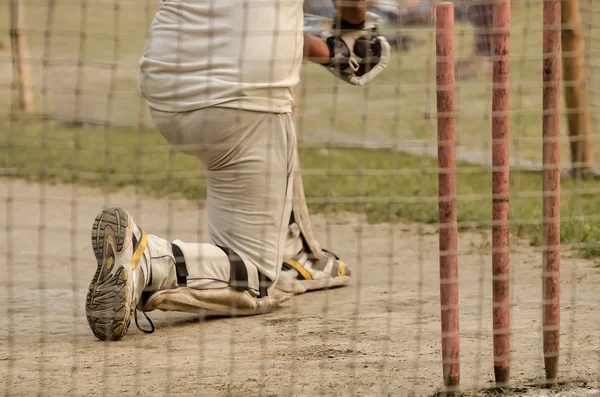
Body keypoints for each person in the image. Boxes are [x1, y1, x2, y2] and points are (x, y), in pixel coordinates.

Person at [85, 0, 390, 341]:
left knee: (273, 127)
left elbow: (243, 21)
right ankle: (148, 259)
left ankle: (293, 250)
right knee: (257, 277)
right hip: (242, 108)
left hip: (166, 95)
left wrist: (327, 49)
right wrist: (353, 28)